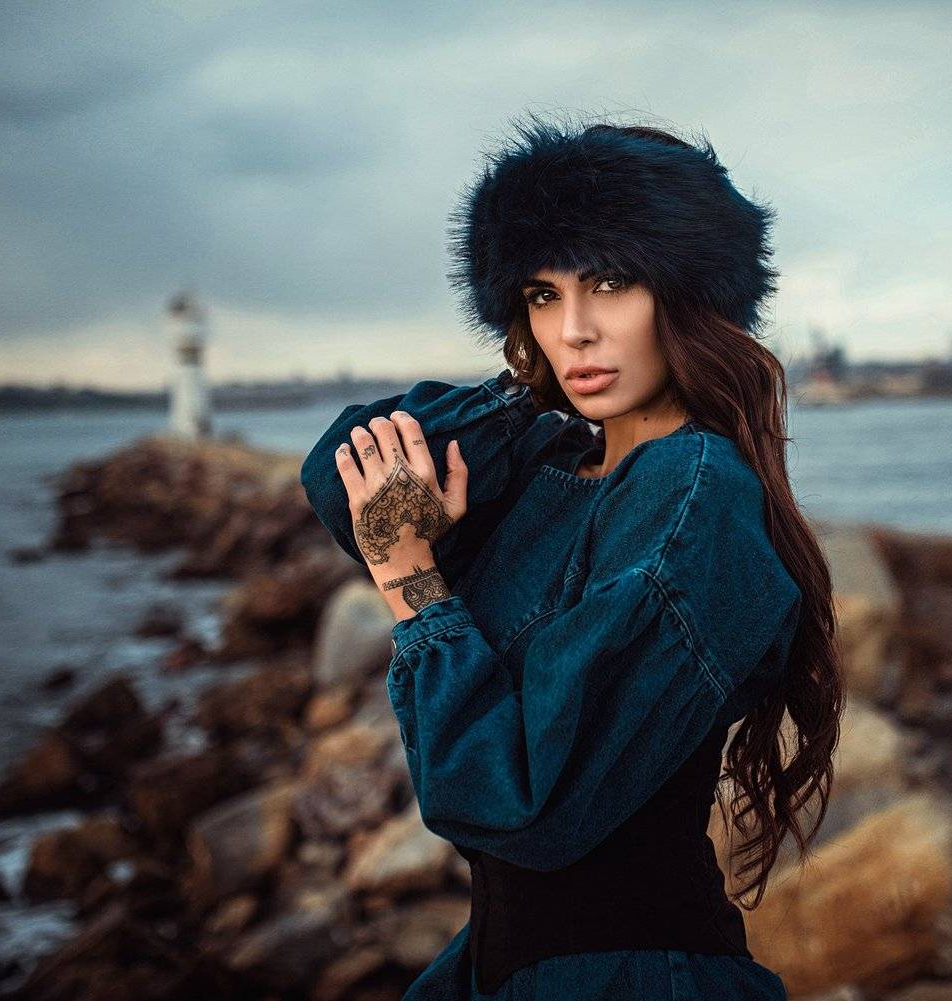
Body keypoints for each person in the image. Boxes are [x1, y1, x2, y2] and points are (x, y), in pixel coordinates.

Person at [300, 113, 844, 1001]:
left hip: (633, 975)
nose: (576, 329)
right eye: (543, 295)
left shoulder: (694, 493)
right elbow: (336, 476)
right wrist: (524, 398)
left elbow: (515, 799)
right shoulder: (566, 467)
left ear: (690, 290)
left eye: (611, 282)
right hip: (506, 967)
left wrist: (408, 571)